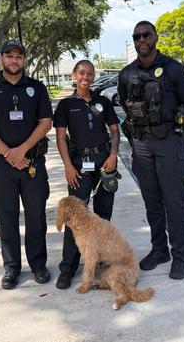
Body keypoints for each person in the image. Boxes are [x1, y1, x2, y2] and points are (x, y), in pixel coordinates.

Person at [118, 21, 184, 280]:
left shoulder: (174, 69)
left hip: (168, 143)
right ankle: (159, 250)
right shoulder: (126, 74)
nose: (141, 40)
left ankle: (180, 255)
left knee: (174, 202)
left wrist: (179, 130)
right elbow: (125, 105)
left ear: (155, 37)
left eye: (146, 35)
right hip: (142, 144)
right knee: (152, 201)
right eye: (137, 36)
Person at [0, 39, 53, 289]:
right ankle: (11, 268)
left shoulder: (36, 88)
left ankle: (38, 265)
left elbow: (46, 122)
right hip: (0, 164)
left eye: (19, 56)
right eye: (9, 56)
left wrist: (22, 150)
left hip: (32, 162)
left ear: (25, 60)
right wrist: (10, 154)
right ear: (0, 59)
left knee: (36, 215)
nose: (14, 60)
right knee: (6, 217)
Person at [53, 60, 121, 290]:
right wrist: (67, 166)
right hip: (79, 166)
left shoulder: (103, 101)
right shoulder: (66, 105)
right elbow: (61, 137)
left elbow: (114, 130)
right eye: (82, 72)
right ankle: (68, 268)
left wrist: (113, 156)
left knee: (103, 216)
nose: (86, 77)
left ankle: (101, 262)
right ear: (74, 75)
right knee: (75, 219)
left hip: (104, 162)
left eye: (90, 73)